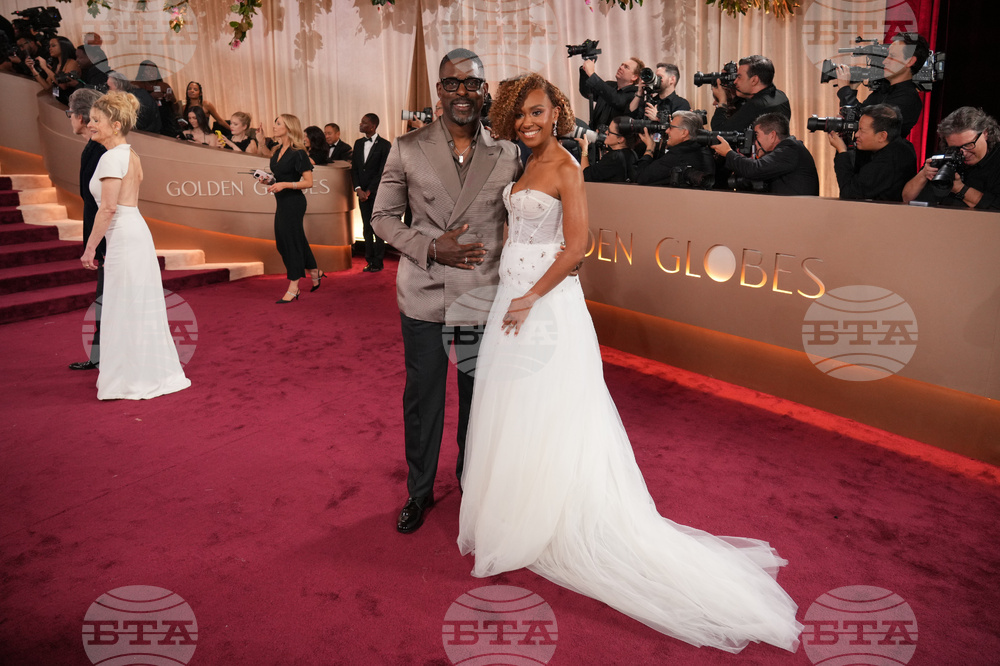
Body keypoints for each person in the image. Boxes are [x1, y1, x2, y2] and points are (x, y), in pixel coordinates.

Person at [457, 71, 802, 656]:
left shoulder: (566, 166)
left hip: (541, 305)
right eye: (520, 114)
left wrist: (530, 295)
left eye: (538, 112)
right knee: (511, 407)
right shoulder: (522, 164)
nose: (528, 122)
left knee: (552, 409)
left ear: (556, 113)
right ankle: (513, 506)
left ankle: (548, 511)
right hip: (509, 299)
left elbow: (576, 246)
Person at [370, 48, 522, 534]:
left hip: (482, 295)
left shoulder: (509, 151)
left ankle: (471, 484)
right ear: (439, 91)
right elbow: (381, 218)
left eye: (472, 84)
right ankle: (419, 491)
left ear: (485, 90)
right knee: (424, 400)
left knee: (480, 401)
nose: (463, 93)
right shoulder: (407, 147)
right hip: (425, 295)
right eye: (453, 84)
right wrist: (434, 247)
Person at [80, 91, 191, 400]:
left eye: (96, 120)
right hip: (131, 233)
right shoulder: (130, 154)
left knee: (124, 305)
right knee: (132, 305)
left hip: (124, 236)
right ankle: (139, 371)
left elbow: (108, 208)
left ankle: (132, 377)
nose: (91, 125)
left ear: (115, 124)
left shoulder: (112, 157)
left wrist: (90, 248)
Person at [259, 114, 325, 303]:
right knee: (293, 241)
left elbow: (308, 182)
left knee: (289, 243)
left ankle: (294, 286)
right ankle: (314, 270)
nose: (274, 126)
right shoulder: (278, 150)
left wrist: (285, 185)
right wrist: (269, 181)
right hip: (282, 202)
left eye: (278, 123)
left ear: (288, 127)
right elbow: (279, 178)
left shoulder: (299, 153)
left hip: (294, 203)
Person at [67, 88, 107, 371]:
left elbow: (101, 203)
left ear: (80, 116)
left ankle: (102, 356)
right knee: (104, 299)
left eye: (69, 114)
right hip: (104, 235)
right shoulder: (93, 148)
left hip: (107, 237)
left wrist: (95, 245)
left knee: (106, 300)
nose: (69, 119)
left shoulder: (99, 149)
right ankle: (100, 355)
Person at [903, 106, 1000, 210]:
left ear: (985, 133)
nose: (963, 153)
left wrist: (960, 189)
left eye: (968, 145)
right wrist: (923, 174)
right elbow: (906, 199)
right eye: (956, 148)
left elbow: (996, 208)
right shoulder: (945, 156)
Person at [835, 33, 929, 138]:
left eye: (892, 56)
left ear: (910, 61)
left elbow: (868, 123)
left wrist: (845, 90)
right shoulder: (883, 90)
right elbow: (855, 117)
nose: (884, 61)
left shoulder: (908, 99)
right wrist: (851, 89)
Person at [710, 112, 820, 195]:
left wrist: (729, 153)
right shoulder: (789, 149)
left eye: (757, 135)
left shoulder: (790, 149)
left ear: (772, 135)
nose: (754, 141)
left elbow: (755, 169)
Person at [830, 103, 917, 201]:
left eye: (862, 130)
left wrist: (841, 151)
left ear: (882, 136)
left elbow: (849, 192)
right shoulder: (901, 146)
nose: (857, 134)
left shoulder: (890, 160)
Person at [352, 113, 392, 272]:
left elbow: (383, 171)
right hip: (361, 193)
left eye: (364, 122)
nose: (360, 124)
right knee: (366, 227)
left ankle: (379, 261)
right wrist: (358, 189)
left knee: (378, 227)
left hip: (376, 193)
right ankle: (369, 260)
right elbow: (354, 168)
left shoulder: (385, 145)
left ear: (373, 126)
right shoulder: (358, 143)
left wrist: (369, 190)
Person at [710, 55, 791, 132]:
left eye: (739, 77)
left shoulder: (756, 106)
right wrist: (734, 93)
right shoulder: (780, 95)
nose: (735, 81)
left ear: (754, 80)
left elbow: (720, 132)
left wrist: (722, 102)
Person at [636, 111, 715, 188]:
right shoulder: (703, 149)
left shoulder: (678, 154)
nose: (667, 131)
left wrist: (649, 148)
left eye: (671, 127)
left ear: (684, 133)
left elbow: (641, 177)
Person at [578, 56, 644, 130]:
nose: (621, 67)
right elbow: (587, 91)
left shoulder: (635, 95)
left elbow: (616, 99)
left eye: (626, 67)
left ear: (634, 77)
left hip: (613, 138)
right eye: (621, 65)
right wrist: (585, 70)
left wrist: (591, 74)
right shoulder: (609, 85)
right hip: (594, 133)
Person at [577, 117, 639, 183]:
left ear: (620, 139)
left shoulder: (613, 158)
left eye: (609, 132)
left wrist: (584, 149)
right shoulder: (632, 154)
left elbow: (585, 175)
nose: (606, 132)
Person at [135, 60, 180, 138]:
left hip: (165, 122)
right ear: (142, 72)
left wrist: (172, 100)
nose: (152, 72)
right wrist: (150, 97)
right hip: (148, 123)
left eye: (154, 70)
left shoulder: (164, 86)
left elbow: (176, 110)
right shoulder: (137, 85)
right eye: (148, 70)